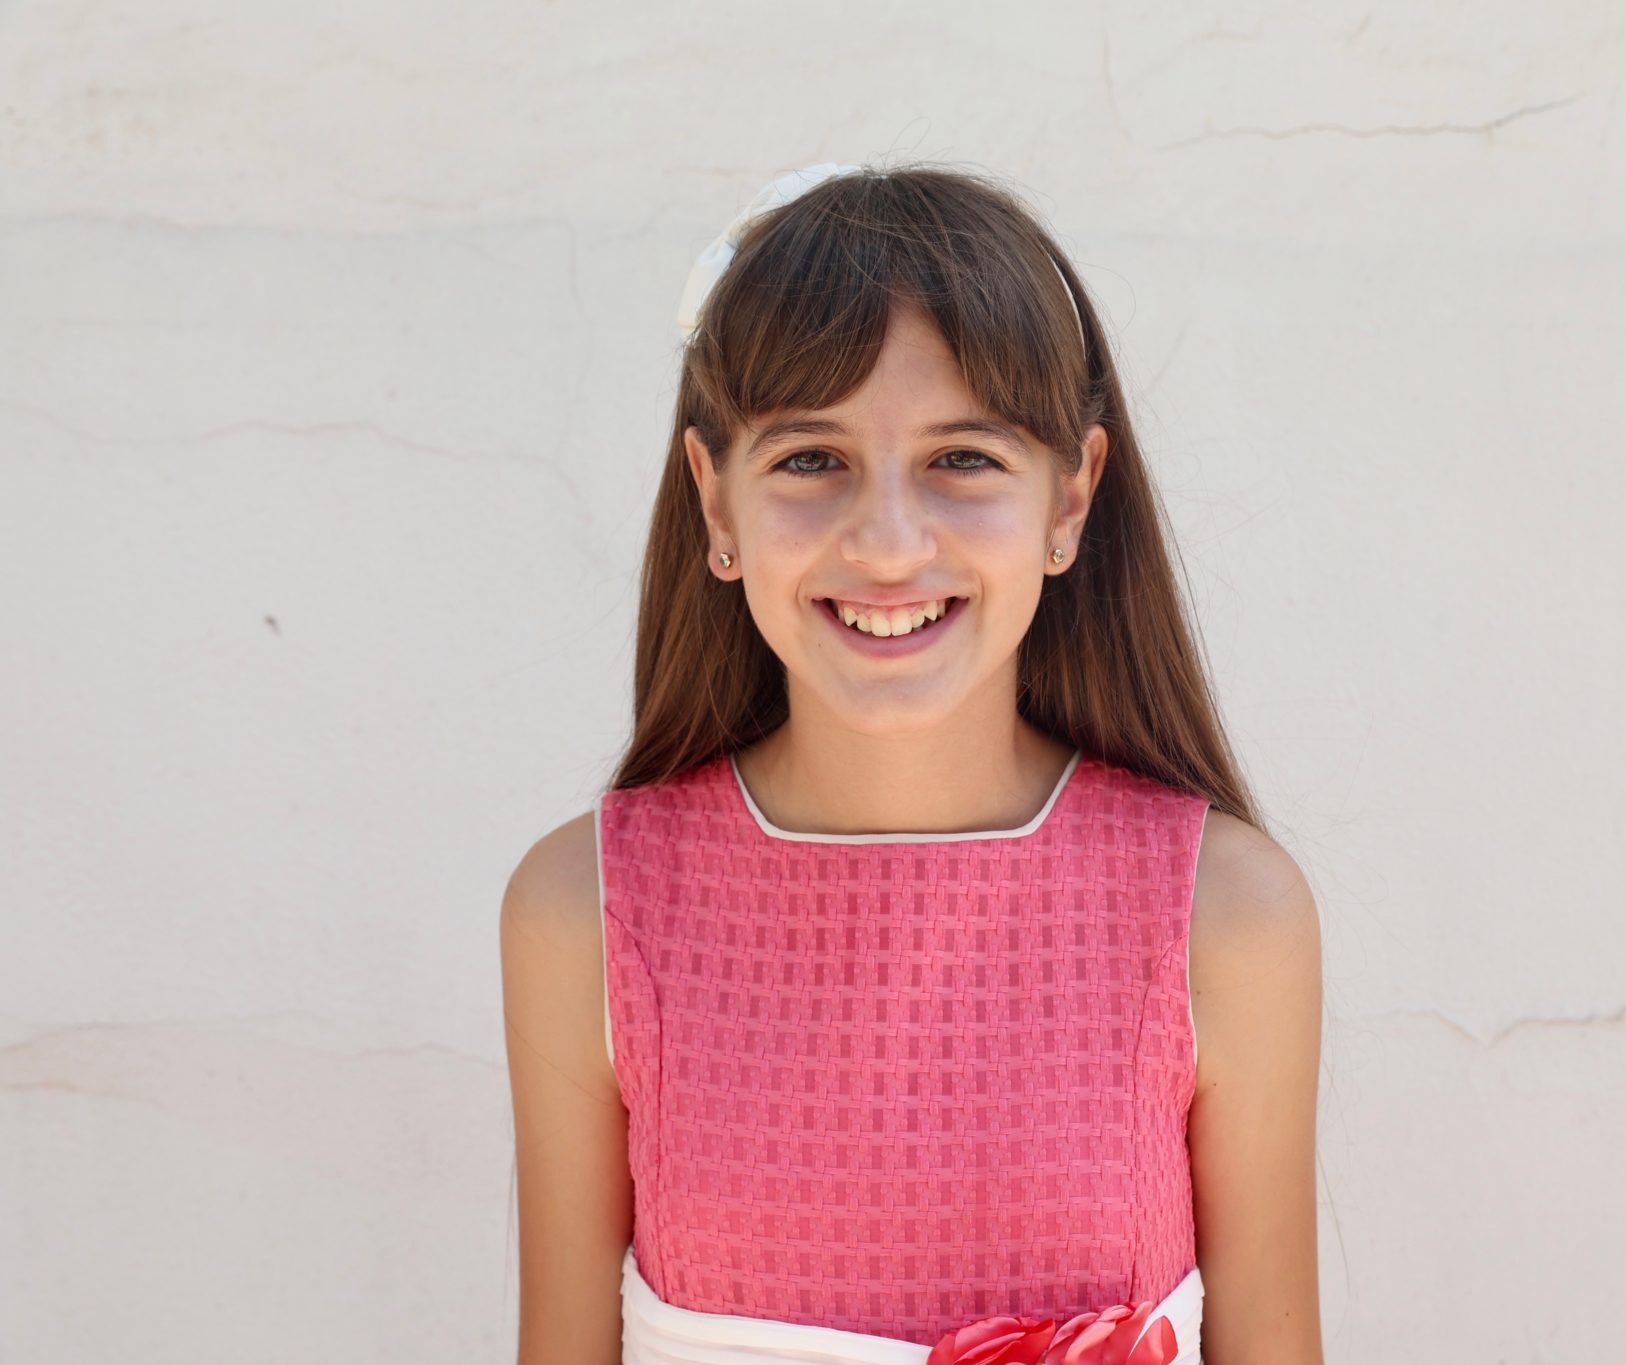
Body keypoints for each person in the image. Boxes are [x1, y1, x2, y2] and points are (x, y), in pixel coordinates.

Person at [500, 160, 1325, 1365]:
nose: (887, 543)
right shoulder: (583, 913)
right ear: (715, 505)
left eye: (962, 459)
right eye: (809, 459)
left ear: (1070, 499)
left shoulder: (1226, 917)